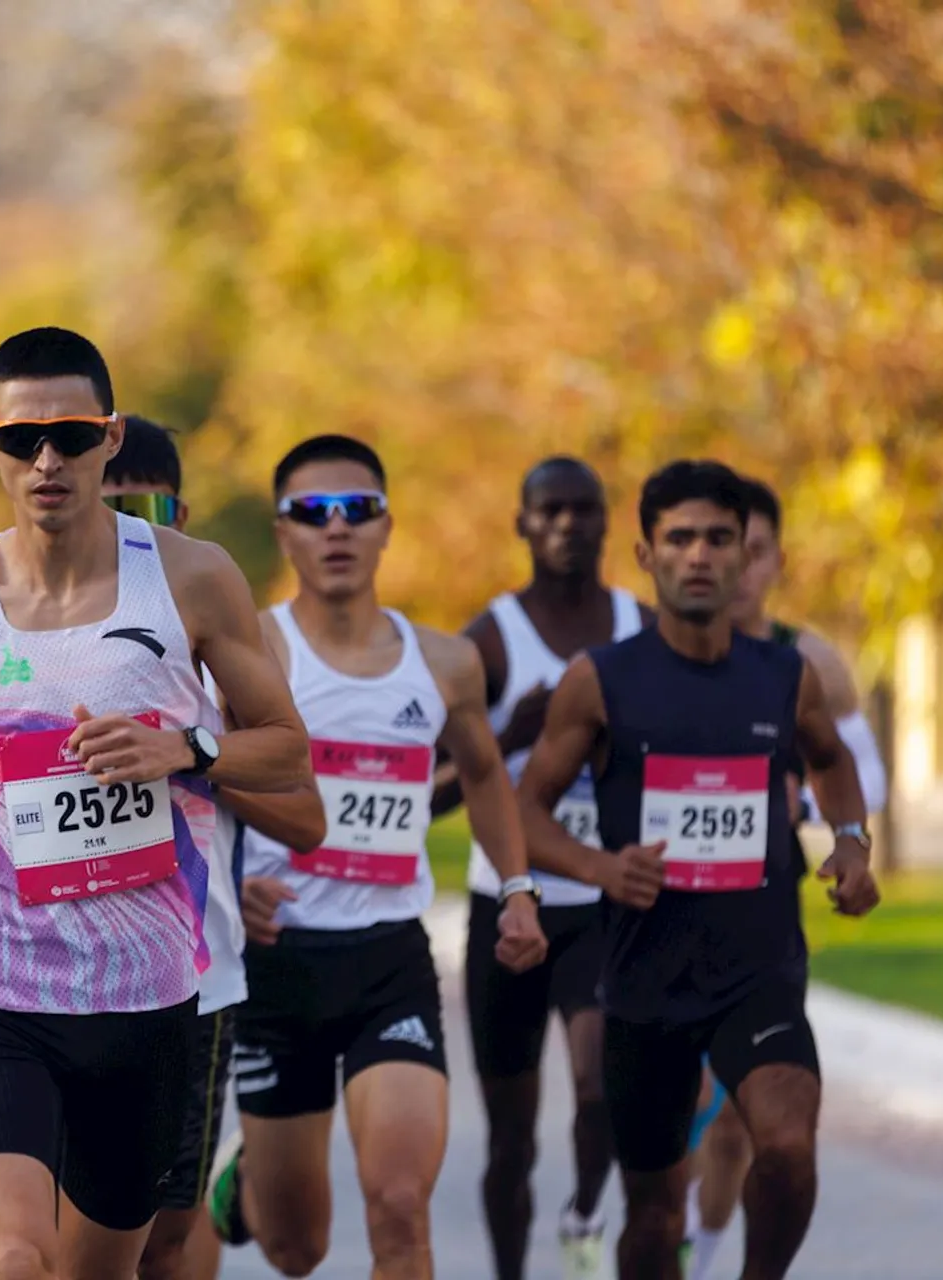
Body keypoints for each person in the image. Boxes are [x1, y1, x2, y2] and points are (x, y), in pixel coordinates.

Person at [0, 327, 319, 1280]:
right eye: (22, 440)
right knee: (17, 1256)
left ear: (110, 435)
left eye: (68, 435)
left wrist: (184, 747)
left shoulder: (191, 576)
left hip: (146, 997)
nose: (46, 460)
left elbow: (290, 751)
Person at [516, 460, 880, 1280]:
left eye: (723, 538)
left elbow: (833, 764)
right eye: (680, 538)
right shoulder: (601, 681)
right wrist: (601, 868)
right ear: (646, 556)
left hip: (759, 967)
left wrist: (851, 843)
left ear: (747, 555)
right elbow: (525, 811)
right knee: (653, 1215)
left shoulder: (786, 677)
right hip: (647, 979)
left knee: (786, 1141)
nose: (703, 555)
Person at [203, 435, 548, 1280]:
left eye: (357, 510)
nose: (337, 530)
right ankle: (241, 1180)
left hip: (389, 961)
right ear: (283, 531)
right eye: (312, 514)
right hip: (278, 963)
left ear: (388, 525)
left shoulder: (446, 663)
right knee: (296, 1248)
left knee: (400, 1206)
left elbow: (484, 776)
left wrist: (517, 888)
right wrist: (226, 886)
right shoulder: (255, 653)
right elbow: (195, 781)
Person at [104, 417, 322, 1280]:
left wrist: (188, 760)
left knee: (165, 1235)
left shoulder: (220, 639)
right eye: (109, 511)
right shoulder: (28, 632)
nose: (130, 534)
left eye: (148, 510)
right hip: (59, 970)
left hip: (199, 972)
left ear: (182, 513)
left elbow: (304, 816)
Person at [429, 457, 644, 1279]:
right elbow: (427, 797)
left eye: (584, 510)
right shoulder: (490, 639)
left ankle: (586, 1211)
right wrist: (509, 740)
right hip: (509, 908)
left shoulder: (639, 626)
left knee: (599, 1091)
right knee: (511, 1136)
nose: (567, 526)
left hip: (605, 902)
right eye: (549, 511)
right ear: (522, 523)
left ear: (606, 522)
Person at [681, 475, 889, 1280]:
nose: (733, 567)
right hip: (652, 920)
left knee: (740, 1119)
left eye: (752, 550)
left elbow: (861, 778)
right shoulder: (639, 662)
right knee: (672, 1117)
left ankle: (701, 1257)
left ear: (768, 560)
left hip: (759, 924)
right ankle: (649, 1229)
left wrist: (830, 830)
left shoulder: (810, 664)